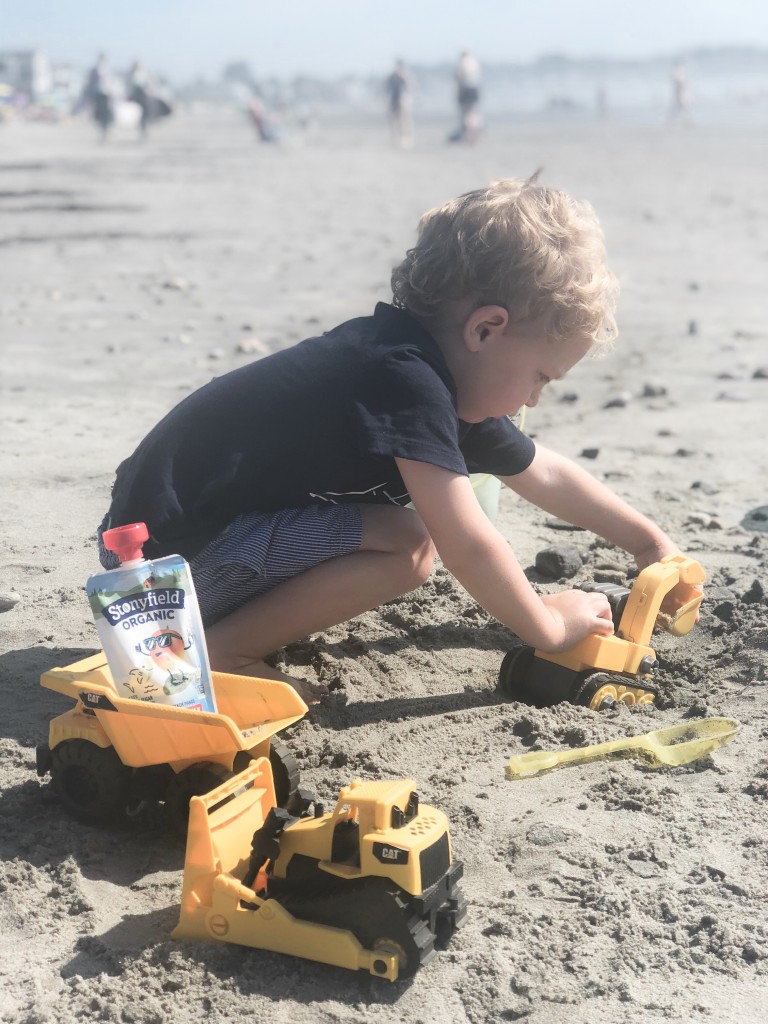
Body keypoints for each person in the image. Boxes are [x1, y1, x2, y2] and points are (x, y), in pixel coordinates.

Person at [95, 177, 700, 705]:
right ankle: (219, 652)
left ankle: (227, 634)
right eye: (541, 376)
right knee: (407, 543)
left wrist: (650, 544)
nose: (534, 399)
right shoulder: (403, 377)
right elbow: (467, 542)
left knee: (398, 528)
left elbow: (542, 472)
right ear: (486, 329)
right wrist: (546, 625)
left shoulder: (432, 371)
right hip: (159, 574)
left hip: (181, 550)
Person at [449, 49, 481, 143]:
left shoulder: (463, 62)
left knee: (466, 113)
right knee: (472, 112)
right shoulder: (474, 62)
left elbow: (459, 77)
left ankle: (469, 134)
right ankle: (473, 134)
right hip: (475, 89)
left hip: (466, 89)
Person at [386, 59, 414, 148]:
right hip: (395, 99)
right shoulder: (393, 75)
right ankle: (397, 138)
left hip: (402, 100)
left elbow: (410, 87)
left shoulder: (404, 75)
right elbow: (387, 87)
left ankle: (406, 138)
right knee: (394, 119)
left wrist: (410, 99)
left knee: (404, 120)